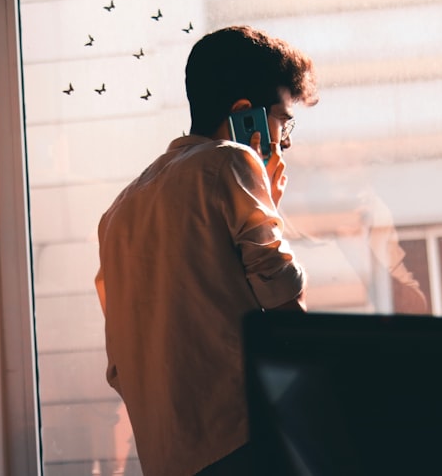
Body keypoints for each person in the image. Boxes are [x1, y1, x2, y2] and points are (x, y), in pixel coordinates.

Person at [95, 25, 320, 476]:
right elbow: (284, 302)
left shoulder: (119, 210)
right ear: (244, 114)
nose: (287, 139)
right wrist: (268, 203)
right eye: (282, 120)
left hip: (167, 456)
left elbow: (119, 362)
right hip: (241, 440)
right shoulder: (232, 162)